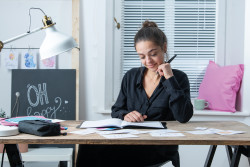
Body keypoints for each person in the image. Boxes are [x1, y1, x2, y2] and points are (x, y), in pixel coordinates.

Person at [76, 20, 193, 167]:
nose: (148, 61)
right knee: (88, 145)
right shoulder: (131, 76)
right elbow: (116, 110)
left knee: (106, 156)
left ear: (164, 47)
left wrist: (169, 78)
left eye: (153, 54)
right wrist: (125, 115)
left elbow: (183, 117)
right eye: (142, 56)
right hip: (129, 140)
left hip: (159, 145)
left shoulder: (179, 78)